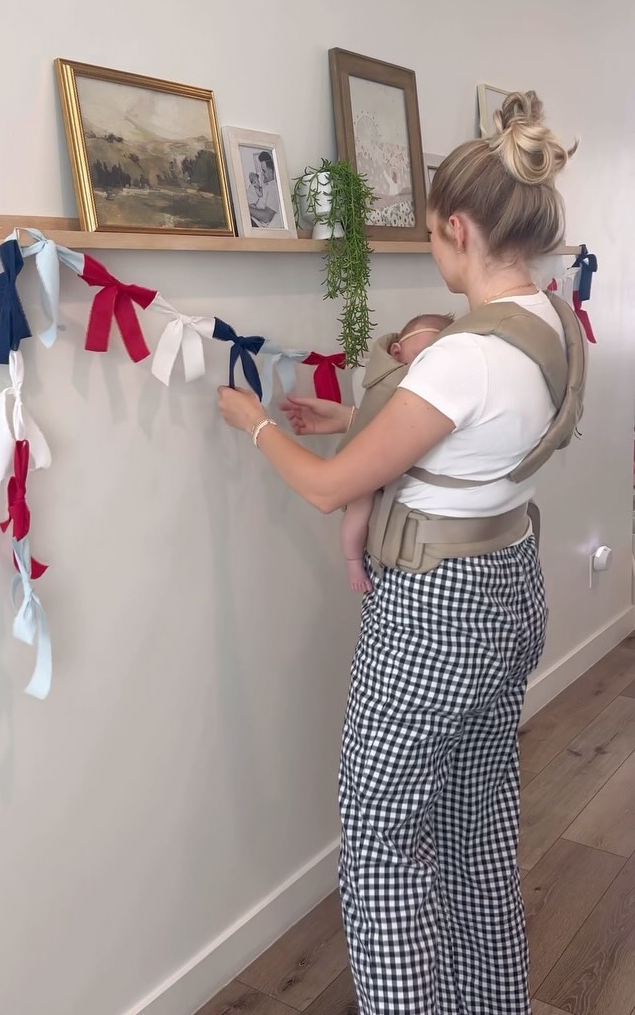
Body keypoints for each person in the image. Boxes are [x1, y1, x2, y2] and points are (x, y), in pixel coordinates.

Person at [217, 91, 580, 1014]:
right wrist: (353, 416)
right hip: (509, 587)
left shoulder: (462, 354)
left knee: (382, 846)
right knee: (475, 830)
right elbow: (475, 434)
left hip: (434, 609)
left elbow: (327, 488)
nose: (433, 252)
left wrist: (255, 424)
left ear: (458, 227)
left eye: (430, 235)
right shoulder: (549, 323)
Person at [340, 313, 452, 593]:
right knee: (359, 507)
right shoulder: (390, 379)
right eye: (420, 357)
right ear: (397, 352)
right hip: (366, 459)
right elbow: (372, 420)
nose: (426, 367)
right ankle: (352, 559)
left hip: (399, 466)